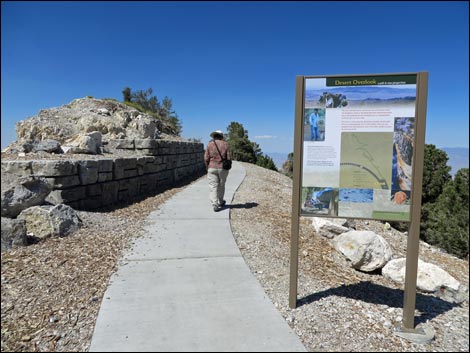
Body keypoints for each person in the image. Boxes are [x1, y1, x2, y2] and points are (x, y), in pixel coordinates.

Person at [204, 130, 232, 212]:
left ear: (214, 136)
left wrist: (207, 167)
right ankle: (221, 201)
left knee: (213, 186)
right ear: (221, 136)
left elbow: (206, 158)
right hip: (222, 168)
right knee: (221, 185)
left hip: (211, 167)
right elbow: (229, 157)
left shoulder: (209, 144)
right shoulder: (225, 144)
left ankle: (215, 204)